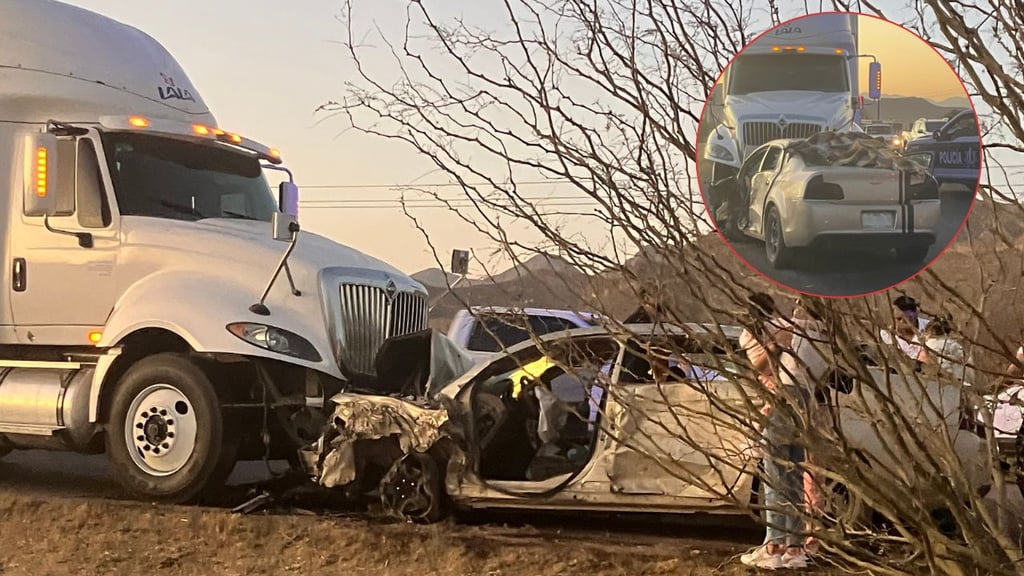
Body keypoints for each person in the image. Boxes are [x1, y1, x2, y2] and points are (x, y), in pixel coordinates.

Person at [740, 293, 808, 570]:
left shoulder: (754, 334)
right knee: (793, 473)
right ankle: (795, 548)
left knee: (775, 475)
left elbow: (758, 367)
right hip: (802, 397)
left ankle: (774, 546)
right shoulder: (796, 327)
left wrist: (773, 347)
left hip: (778, 399)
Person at [916, 314, 973, 385]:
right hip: (955, 373)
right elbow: (962, 355)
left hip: (941, 373)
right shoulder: (948, 343)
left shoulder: (928, 344)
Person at [880, 295, 928, 361]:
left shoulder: (929, 328)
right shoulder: (887, 334)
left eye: (907, 319)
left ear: (915, 314)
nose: (902, 322)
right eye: (898, 319)